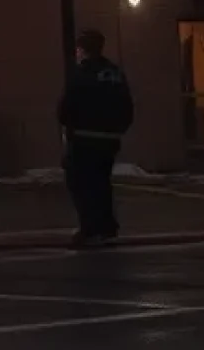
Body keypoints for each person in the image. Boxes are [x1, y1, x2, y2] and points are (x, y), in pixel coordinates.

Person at [57, 28, 134, 247]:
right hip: (109, 139)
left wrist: (70, 126)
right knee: (101, 182)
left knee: (81, 183)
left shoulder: (82, 74)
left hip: (83, 138)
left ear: (83, 49)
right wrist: (118, 129)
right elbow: (127, 106)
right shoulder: (114, 73)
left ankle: (89, 227)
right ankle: (107, 226)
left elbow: (66, 108)